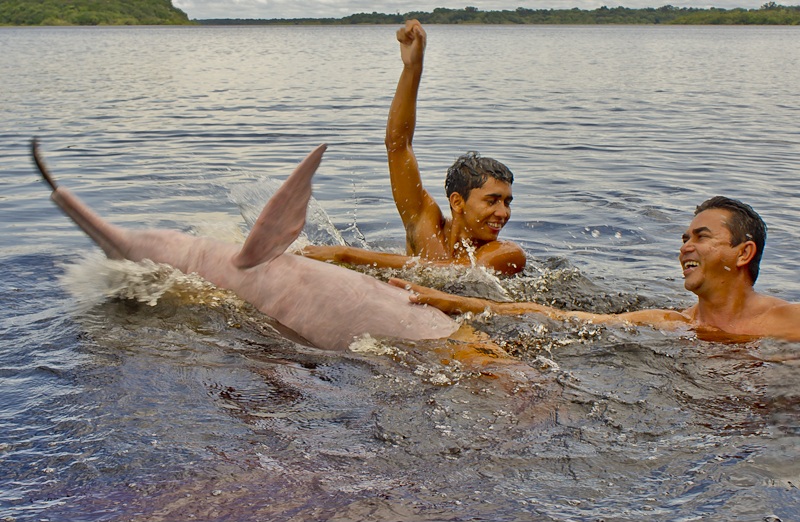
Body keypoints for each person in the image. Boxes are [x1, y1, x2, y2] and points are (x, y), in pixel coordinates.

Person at [391, 196, 800, 343]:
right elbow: (557, 316)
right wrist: (453, 301)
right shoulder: (672, 323)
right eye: (682, 239)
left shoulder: (788, 322)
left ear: (744, 253)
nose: (685, 247)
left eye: (701, 237)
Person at [302, 20, 526, 276]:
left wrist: (345, 254)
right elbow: (398, 144)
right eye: (492, 201)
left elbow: (452, 272)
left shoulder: (505, 253)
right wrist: (412, 67)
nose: (503, 212)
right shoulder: (425, 224)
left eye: (507, 202)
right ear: (457, 201)